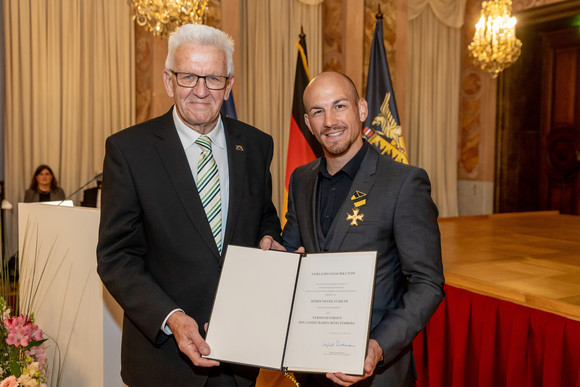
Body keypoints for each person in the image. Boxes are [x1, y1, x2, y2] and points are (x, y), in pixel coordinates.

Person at [97, 24, 282, 387]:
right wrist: (173, 318)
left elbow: (264, 215)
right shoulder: (129, 151)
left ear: (229, 85)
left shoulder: (257, 145)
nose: (201, 90)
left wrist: (268, 239)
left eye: (213, 78)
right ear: (169, 81)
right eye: (188, 77)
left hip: (238, 362)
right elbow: (117, 258)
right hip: (162, 364)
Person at [282, 72, 445, 386]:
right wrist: (274, 257)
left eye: (339, 106)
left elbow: (428, 282)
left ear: (361, 109)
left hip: (376, 373)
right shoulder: (300, 180)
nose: (329, 121)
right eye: (318, 111)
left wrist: (378, 346)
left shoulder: (403, 182)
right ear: (307, 122)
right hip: (311, 368)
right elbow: (292, 251)